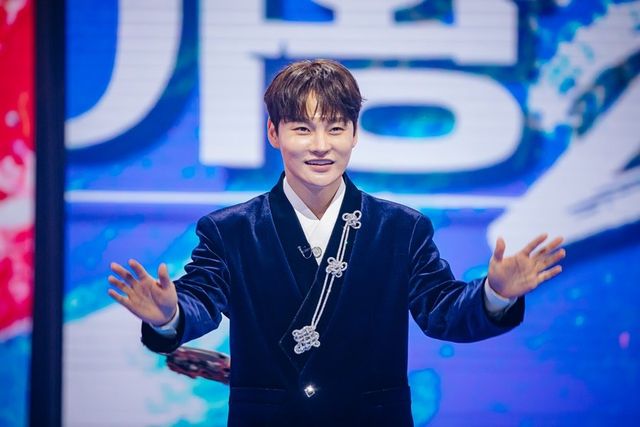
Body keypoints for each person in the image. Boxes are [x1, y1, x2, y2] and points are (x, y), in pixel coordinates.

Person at [108, 59, 565, 426]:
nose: (320, 146)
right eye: (302, 129)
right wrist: (168, 315)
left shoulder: (401, 228)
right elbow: (200, 301)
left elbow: (444, 311)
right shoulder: (230, 230)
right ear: (274, 133)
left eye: (335, 128)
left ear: (355, 133)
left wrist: (495, 293)